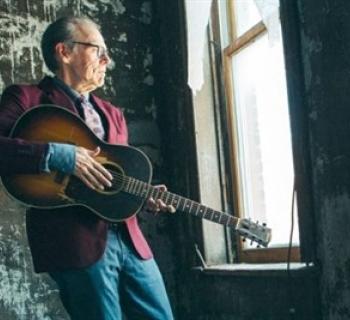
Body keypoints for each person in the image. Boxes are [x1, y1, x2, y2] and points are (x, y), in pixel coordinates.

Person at [0, 16, 174, 320]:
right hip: (76, 243)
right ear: (64, 52)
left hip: (131, 242)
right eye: (97, 49)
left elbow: (110, 182)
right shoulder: (26, 99)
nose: (108, 59)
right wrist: (61, 155)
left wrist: (142, 198)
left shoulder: (113, 114)